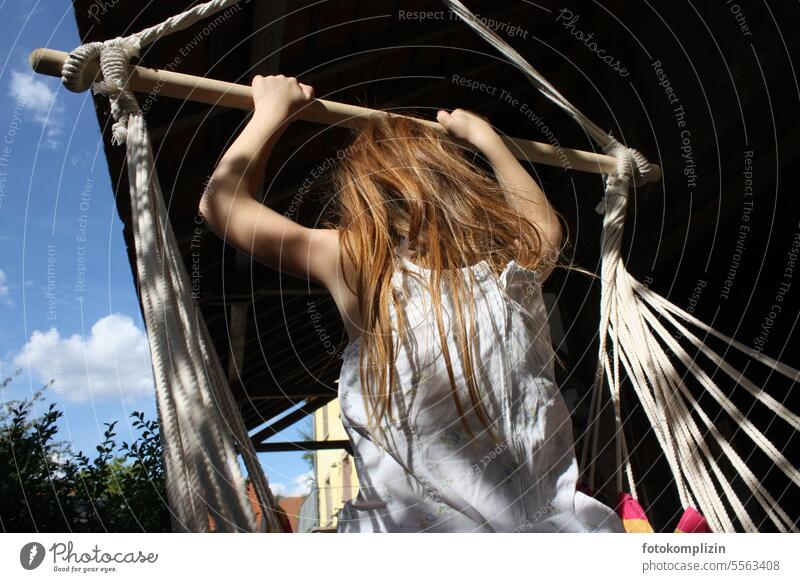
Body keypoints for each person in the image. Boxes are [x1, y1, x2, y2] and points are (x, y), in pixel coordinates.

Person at [199, 75, 624, 533]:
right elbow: (544, 226)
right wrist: (488, 141)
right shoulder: (511, 270)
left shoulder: (360, 264)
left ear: (363, 196)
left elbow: (221, 204)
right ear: (457, 182)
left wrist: (271, 112)